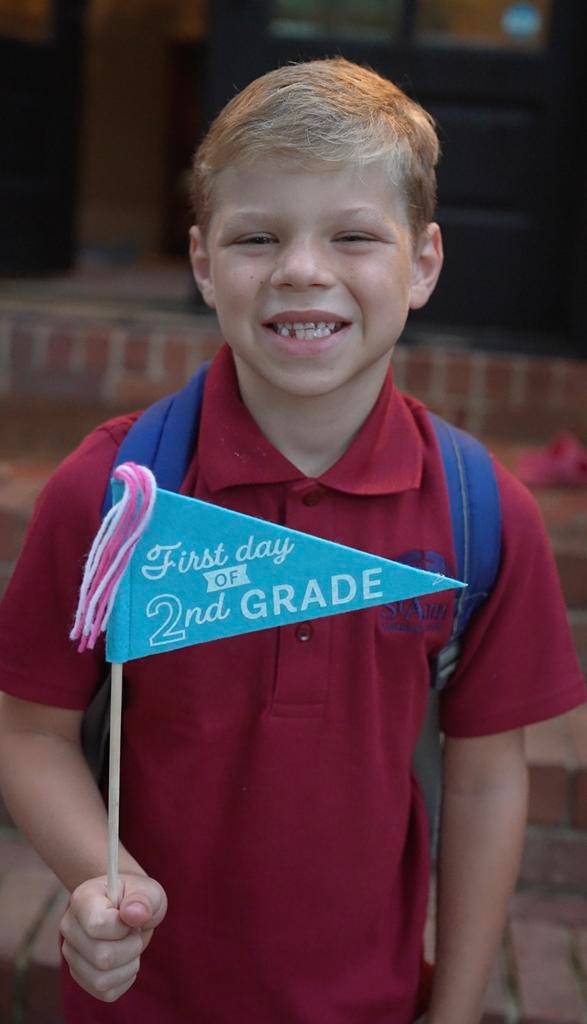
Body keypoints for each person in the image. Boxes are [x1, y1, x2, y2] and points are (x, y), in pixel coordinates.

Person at [0, 57, 584, 1024]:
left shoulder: (481, 514)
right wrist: (96, 876)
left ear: (423, 263)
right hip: (141, 1005)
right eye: (257, 236)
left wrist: (454, 1010)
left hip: (372, 1002)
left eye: (353, 235)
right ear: (202, 263)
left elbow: (486, 782)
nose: (302, 269)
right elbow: (27, 731)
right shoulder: (115, 495)